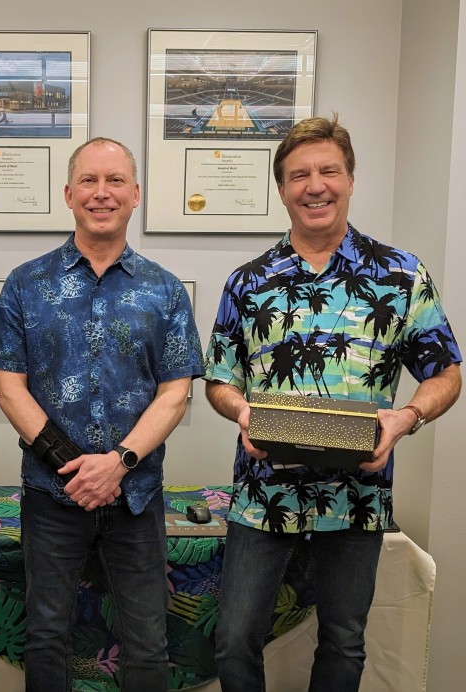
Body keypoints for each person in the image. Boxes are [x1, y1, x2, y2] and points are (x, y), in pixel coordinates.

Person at [204, 115, 462, 692]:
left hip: (359, 495)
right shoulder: (249, 282)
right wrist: (243, 411)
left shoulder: (400, 275)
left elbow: (446, 371)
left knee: (344, 641)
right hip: (263, 493)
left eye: (328, 171)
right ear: (281, 189)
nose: (314, 185)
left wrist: (406, 417)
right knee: (234, 639)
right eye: (299, 175)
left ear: (350, 180)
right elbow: (219, 380)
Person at [0, 136, 204, 691]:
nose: (102, 193)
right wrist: (75, 467)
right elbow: (9, 387)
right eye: (89, 180)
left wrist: (117, 463)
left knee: (146, 639)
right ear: (68, 193)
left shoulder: (164, 291)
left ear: (135, 194)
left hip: (136, 495)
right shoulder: (24, 285)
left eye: (115, 181)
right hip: (51, 495)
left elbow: (175, 393)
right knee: (44, 636)